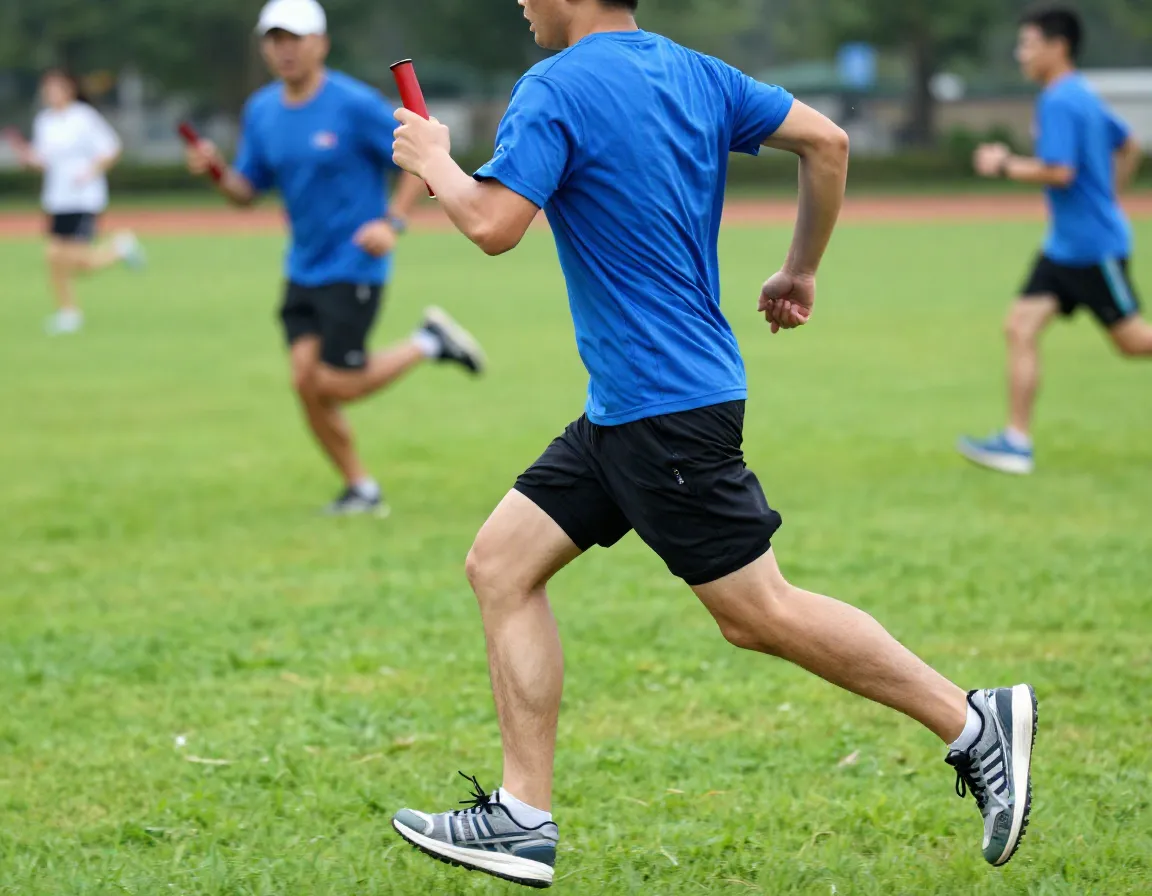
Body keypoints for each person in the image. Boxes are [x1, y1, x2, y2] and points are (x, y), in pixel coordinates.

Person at [386, 0, 1037, 887]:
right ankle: (523, 816)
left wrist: (434, 162)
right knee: (501, 566)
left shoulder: (554, 87)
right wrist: (801, 267)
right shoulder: (697, 72)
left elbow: (495, 227)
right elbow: (830, 144)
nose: (521, 1)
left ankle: (972, 723)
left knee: (755, 612)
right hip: (634, 405)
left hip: (663, 411)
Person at [185, 0, 487, 515]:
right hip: (302, 267)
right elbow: (246, 191)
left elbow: (420, 156)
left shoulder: (354, 104)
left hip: (355, 264)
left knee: (334, 384)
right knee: (305, 384)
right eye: (274, 39)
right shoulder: (261, 110)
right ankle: (361, 490)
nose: (284, 49)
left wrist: (391, 221)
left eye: (294, 38)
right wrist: (214, 171)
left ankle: (427, 343)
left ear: (320, 43)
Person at [959, 4, 1149, 475]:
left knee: (1134, 343)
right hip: (1064, 245)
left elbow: (1060, 172)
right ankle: (1016, 443)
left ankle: (1017, 442)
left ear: (1056, 46)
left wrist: (1002, 163)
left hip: (1090, 249)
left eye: (1027, 43)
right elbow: (1128, 145)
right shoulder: (1081, 92)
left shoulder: (1061, 99)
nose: (1020, 53)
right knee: (1020, 326)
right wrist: (1110, 198)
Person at [12, 69, 145, 336]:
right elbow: (43, 161)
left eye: (56, 88)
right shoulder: (45, 121)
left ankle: (120, 249)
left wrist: (91, 172)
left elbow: (111, 148)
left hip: (84, 198)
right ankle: (68, 312)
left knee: (79, 262)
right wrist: (29, 159)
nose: (51, 94)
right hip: (57, 199)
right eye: (47, 89)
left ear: (69, 90)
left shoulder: (83, 118)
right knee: (53, 257)